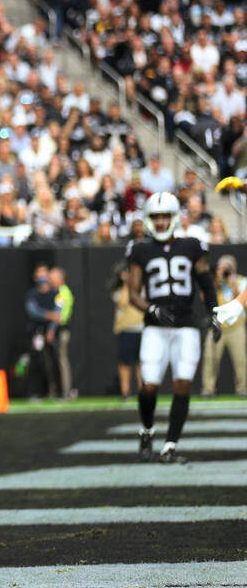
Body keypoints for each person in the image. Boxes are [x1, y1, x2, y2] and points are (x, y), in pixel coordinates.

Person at [126, 191, 218, 464]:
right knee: (149, 386)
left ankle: (170, 445)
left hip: (186, 325)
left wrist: (214, 313)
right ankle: (147, 430)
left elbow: (206, 282)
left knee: (183, 383)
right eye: (157, 217)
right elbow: (133, 293)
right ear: (148, 219)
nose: (162, 222)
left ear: (176, 217)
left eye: (166, 216)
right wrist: (151, 308)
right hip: (155, 326)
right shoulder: (140, 249)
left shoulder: (192, 245)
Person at [203, 255, 247, 397]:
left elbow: (244, 304)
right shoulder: (214, 282)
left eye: (227, 268)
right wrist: (217, 282)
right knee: (210, 357)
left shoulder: (241, 281)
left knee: (240, 359)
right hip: (217, 325)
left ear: (233, 269)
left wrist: (232, 284)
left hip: (236, 326)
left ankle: (243, 388)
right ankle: (208, 388)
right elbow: (204, 298)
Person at [23, 264, 60, 400]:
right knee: (35, 362)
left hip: (50, 332)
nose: (41, 276)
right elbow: (33, 312)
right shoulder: (32, 294)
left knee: (54, 362)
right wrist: (49, 315)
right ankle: (34, 392)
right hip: (36, 332)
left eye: (44, 273)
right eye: (38, 274)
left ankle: (56, 391)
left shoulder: (56, 293)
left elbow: (59, 312)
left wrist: (51, 330)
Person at [112, 264, 144, 400]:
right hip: (126, 330)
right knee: (124, 362)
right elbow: (123, 302)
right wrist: (127, 284)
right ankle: (125, 392)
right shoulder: (118, 291)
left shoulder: (142, 289)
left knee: (141, 363)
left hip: (141, 329)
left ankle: (143, 392)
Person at [50, 267, 76, 400]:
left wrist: (51, 329)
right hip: (58, 329)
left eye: (53, 278)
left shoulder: (62, 292)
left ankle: (66, 392)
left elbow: (58, 315)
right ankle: (59, 390)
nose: (50, 281)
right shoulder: (56, 292)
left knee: (62, 361)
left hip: (62, 329)